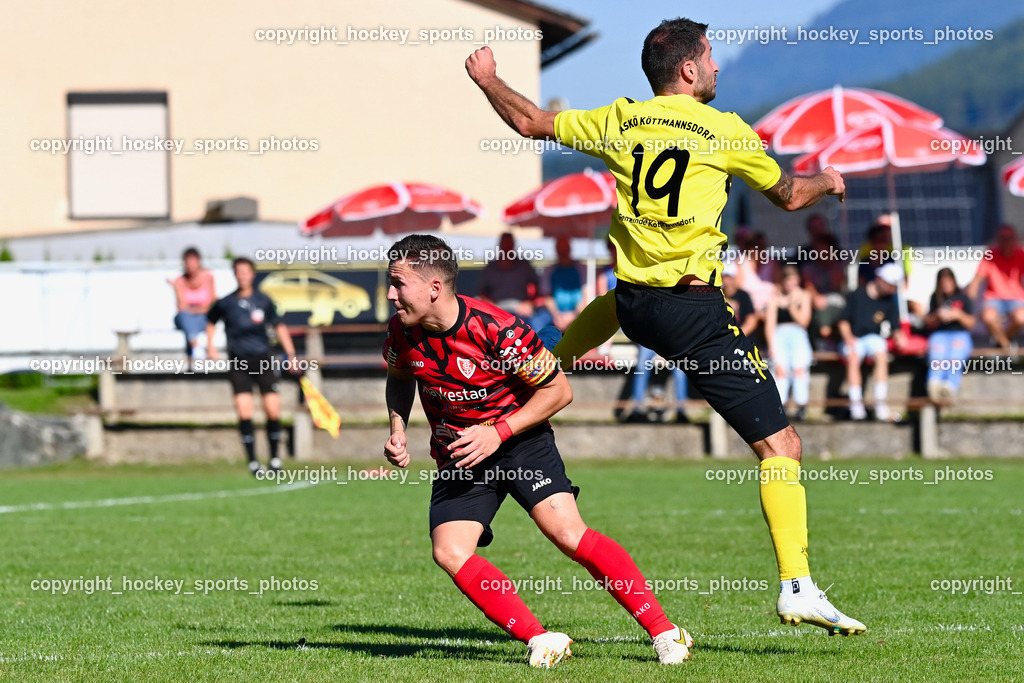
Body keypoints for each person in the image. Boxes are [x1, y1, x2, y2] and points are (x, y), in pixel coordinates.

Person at [467, 17, 865, 637]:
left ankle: (533, 372)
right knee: (781, 447)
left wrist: (489, 78)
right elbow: (789, 194)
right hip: (692, 313)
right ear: (688, 69)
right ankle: (798, 586)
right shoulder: (723, 130)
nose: (716, 67)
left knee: (617, 304)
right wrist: (828, 180)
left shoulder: (619, 119)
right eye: (709, 58)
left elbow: (528, 121)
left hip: (635, 304)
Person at [381, 235, 691, 668]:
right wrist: (397, 428)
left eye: (398, 283)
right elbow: (399, 376)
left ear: (434, 286)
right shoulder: (401, 329)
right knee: (449, 551)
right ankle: (541, 638)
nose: (390, 294)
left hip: (520, 439)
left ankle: (663, 630)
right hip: (461, 453)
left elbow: (558, 391)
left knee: (567, 534)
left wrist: (498, 431)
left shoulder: (495, 327)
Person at [206, 257, 299, 475]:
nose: (242, 275)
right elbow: (211, 322)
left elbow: (279, 326)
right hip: (239, 362)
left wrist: (291, 354)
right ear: (235, 274)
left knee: (272, 410)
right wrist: (210, 346)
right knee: (244, 411)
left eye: (246, 271)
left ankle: (275, 459)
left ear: (252, 274)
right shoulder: (226, 302)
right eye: (238, 271)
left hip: (264, 360)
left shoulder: (264, 300)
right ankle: (252, 462)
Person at [837, 263, 904, 421]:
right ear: (880, 280)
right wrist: (848, 338)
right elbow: (843, 321)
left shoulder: (889, 301)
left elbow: (896, 326)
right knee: (853, 357)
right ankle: (856, 406)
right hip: (853, 337)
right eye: (891, 285)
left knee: (881, 355)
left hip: (873, 338)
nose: (893, 290)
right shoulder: (857, 294)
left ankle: (880, 405)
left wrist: (900, 336)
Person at [766, 266, 813, 422]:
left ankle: (801, 405)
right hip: (780, 336)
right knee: (780, 370)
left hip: (798, 335)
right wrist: (771, 345)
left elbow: (804, 321)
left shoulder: (804, 296)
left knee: (799, 369)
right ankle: (781, 406)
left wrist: (791, 306)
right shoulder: (775, 297)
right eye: (788, 281)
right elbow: (770, 324)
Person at [966, 224, 1024, 353]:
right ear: (998, 240)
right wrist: (968, 304)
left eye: (1009, 238)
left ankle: (1001, 340)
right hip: (993, 298)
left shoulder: (1020, 253)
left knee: (1021, 317)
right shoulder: (990, 255)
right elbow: (976, 280)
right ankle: (1007, 345)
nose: (1007, 242)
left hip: (1015, 298)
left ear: (1015, 239)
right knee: (988, 317)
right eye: (1003, 239)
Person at [925, 268, 976, 403]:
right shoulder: (935, 298)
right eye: (943, 283)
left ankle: (949, 387)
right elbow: (928, 323)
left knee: (955, 357)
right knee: (937, 357)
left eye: (948, 282)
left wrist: (958, 315)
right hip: (940, 334)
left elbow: (971, 323)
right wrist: (937, 315)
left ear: (953, 281)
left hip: (959, 334)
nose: (946, 285)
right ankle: (934, 384)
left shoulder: (963, 297)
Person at [477, 232, 540, 323]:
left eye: (509, 243)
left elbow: (538, 287)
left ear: (513, 244)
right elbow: (482, 292)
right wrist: (491, 306)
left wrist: (529, 303)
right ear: (500, 245)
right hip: (497, 309)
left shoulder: (524, 266)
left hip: (520, 310)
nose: (507, 247)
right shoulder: (490, 268)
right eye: (504, 243)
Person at [169, 247, 215, 360]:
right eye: (187, 262)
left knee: (211, 318)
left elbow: (213, 304)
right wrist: (176, 287)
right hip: (187, 318)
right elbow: (182, 306)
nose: (190, 265)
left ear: (198, 261)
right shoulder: (179, 281)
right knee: (184, 317)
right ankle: (195, 344)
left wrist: (195, 309)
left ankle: (204, 347)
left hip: (203, 317)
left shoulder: (209, 277)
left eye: (193, 261)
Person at [538, 236, 587, 332]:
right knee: (537, 322)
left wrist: (573, 315)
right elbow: (547, 297)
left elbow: (586, 296)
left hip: (579, 313)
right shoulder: (549, 271)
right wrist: (557, 315)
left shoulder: (582, 269)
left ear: (569, 250)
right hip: (553, 315)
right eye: (560, 250)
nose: (563, 253)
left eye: (565, 249)